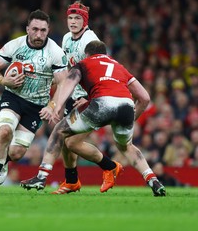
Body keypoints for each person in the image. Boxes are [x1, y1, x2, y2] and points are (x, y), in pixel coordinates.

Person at [20, 40, 166, 197]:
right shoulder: (118, 66)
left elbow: (68, 83)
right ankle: (153, 181)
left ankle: (41, 177)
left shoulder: (84, 63)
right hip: (126, 105)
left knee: (59, 130)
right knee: (126, 146)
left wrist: (57, 105)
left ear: (87, 54)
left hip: (101, 104)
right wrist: (131, 119)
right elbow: (144, 98)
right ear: (105, 54)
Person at [0, 9, 68, 194]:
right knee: (4, 132)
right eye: (35, 29)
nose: (38, 34)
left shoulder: (55, 52)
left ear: (48, 30)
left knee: (17, 153)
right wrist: (3, 80)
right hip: (13, 97)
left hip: (36, 106)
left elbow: (63, 83)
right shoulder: (14, 46)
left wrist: (52, 106)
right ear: (27, 29)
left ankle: (3, 161)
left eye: (43, 30)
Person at [51, 0, 100, 194]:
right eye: (70, 18)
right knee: (66, 139)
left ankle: (110, 167)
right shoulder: (66, 38)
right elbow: (69, 68)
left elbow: (98, 69)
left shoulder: (90, 40)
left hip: (89, 97)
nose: (72, 21)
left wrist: (89, 96)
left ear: (85, 21)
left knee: (71, 140)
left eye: (77, 18)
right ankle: (71, 181)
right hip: (74, 95)